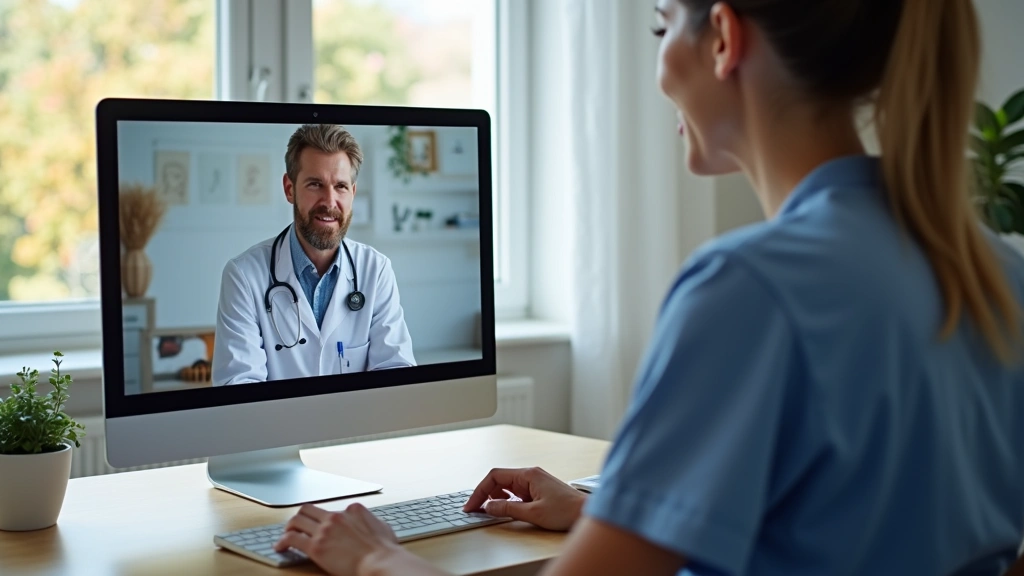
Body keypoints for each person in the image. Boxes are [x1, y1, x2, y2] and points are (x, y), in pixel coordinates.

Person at [273, 0, 1024, 574]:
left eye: (662, 28)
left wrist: (378, 558)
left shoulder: (749, 291)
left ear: (724, 39)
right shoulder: (998, 273)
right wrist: (607, 512)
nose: (659, 65)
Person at [212, 124, 415, 385]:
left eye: (340, 186)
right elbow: (237, 387)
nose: (329, 202)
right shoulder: (244, 276)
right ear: (289, 189)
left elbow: (397, 374)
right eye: (315, 184)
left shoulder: (376, 270)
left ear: (352, 193)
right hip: (275, 427)